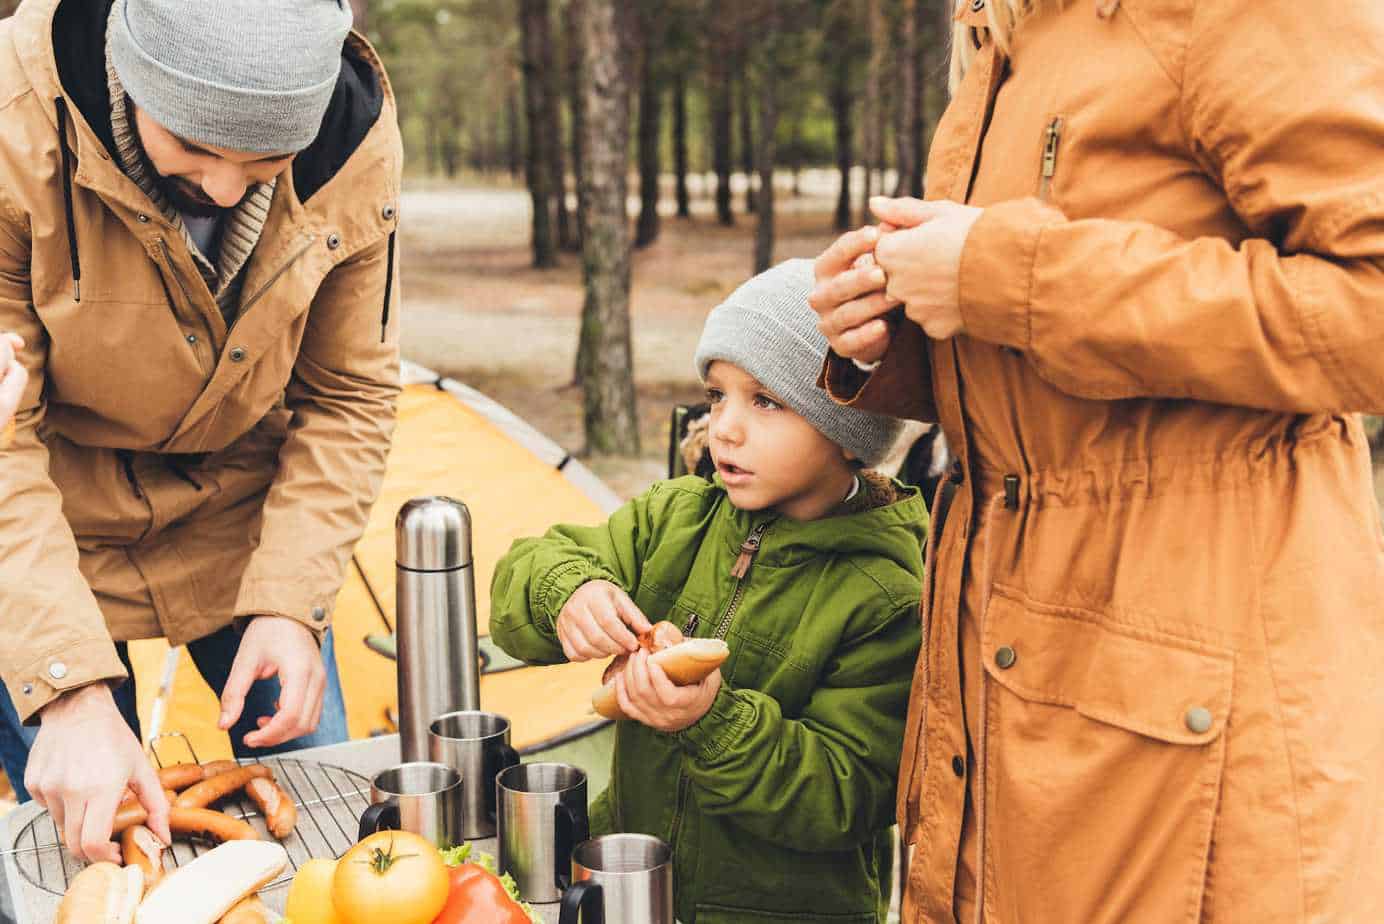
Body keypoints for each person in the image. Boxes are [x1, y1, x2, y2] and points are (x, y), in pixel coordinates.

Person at [810, 0, 1384, 921]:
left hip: (1197, 699)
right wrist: (900, 332)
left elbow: (1369, 312)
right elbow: (1067, 368)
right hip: (1025, 675)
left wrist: (1007, 276)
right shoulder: (1013, 26)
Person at [0, 0, 402, 865]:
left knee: (328, 829)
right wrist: (65, 690)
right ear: (129, 67)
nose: (223, 190)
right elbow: (2, 436)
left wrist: (292, 605)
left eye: (264, 162)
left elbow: (349, 394)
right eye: (193, 146)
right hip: (40, 532)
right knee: (78, 847)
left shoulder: (352, 140)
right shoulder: (10, 127)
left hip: (244, 521)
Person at [491, 260, 927, 923]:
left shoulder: (886, 596)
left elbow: (846, 794)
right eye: (717, 394)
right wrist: (568, 592)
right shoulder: (677, 516)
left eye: (766, 400)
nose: (723, 426)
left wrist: (712, 722)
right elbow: (524, 574)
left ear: (849, 430)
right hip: (632, 890)